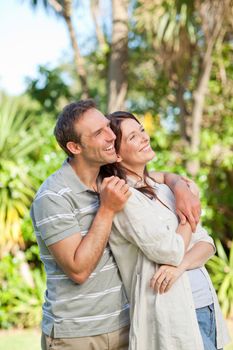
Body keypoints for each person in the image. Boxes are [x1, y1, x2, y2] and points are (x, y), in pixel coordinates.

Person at [30, 100, 203, 350]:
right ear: (74, 146)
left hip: (125, 325)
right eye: (99, 133)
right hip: (77, 335)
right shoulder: (53, 197)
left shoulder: (108, 180)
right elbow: (78, 271)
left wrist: (179, 187)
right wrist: (107, 209)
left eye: (107, 127)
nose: (111, 135)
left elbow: (158, 177)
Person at [100, 111, 230, 350]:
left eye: (141, 130)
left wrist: (179, 266)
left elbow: (207, 244)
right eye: (132, 137)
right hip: (174, 315)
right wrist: (186, 214)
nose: (144, 137)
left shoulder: (163, 190)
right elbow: (169, 250)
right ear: (116, 154)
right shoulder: (125, 199)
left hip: (207, 306)